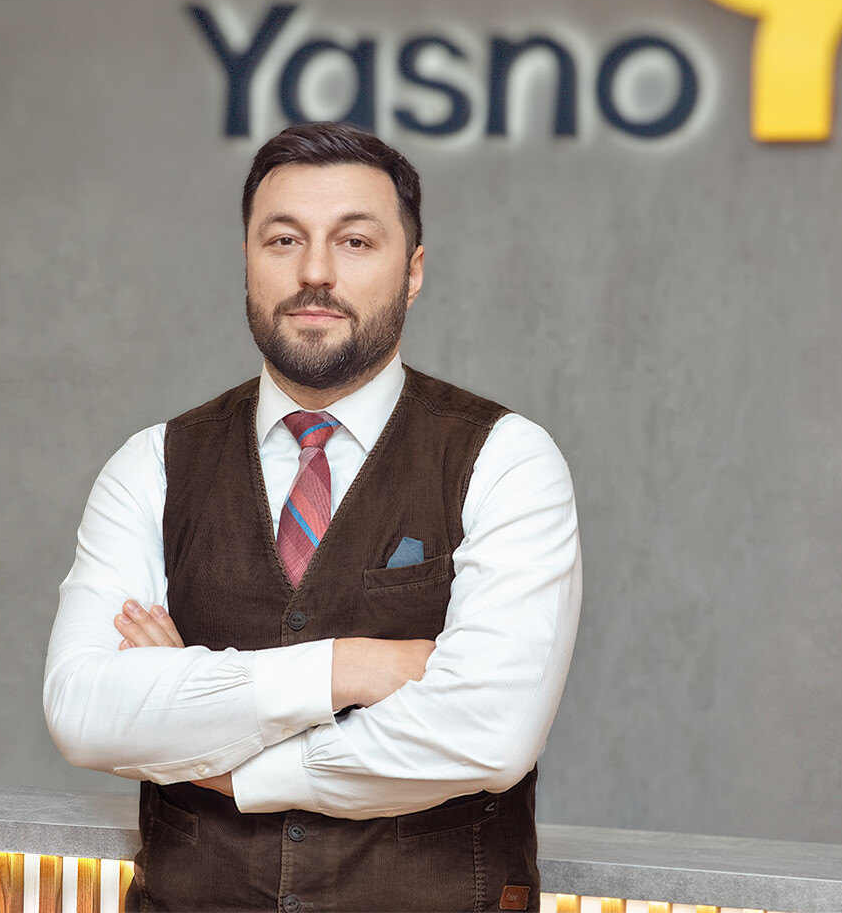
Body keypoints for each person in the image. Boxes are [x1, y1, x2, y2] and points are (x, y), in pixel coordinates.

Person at [43, 122, 582, 912]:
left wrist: (226, 757)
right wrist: (354, 668)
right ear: (248, 260)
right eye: (284, 240)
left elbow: (488, 732)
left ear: (413, 271)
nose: (316, 273)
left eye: (355, 242)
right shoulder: (152, 465)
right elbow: (87, 711)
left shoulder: (506, 459)